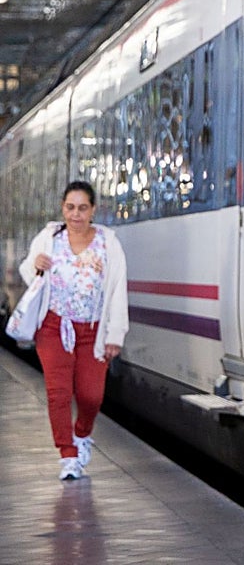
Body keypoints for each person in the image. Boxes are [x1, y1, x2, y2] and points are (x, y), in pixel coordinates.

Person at [18, 180, 129, 481]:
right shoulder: (49, 237)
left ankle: (82, 434)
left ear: (93, 210)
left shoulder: (109, 243)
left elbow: (118, 290)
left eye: (82, 208)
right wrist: (36, 266)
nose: (75, 214)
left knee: (91, 396)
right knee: (58, 393)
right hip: (54, 326)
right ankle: (68, 455)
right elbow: (27, 269)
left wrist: (115, 335)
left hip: (92, 332)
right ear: (62, 209)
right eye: (70, 207)